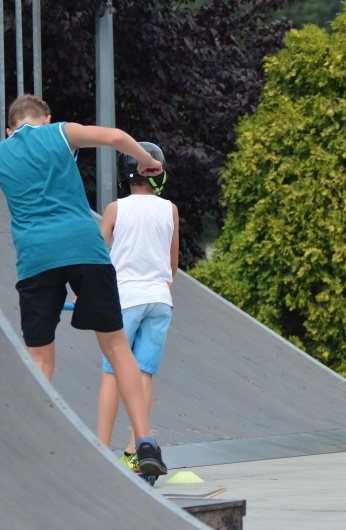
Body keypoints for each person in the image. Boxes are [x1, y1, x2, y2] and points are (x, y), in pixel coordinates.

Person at [0, 94, 168, 476]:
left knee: (39, 358)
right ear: (46, 117)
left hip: (36, 259)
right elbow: (114, 137)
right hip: (85, 250)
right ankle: (145, 443)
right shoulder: (61, 132)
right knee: (117, 347)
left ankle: (27, 446)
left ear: (10, 130)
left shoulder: (3, 151)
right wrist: (146, 160)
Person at [96, 142, 178, 473]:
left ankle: (100, 449)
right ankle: (135, 451)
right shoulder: (170, 209)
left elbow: (97, 255)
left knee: (113, 372)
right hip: (159, 300)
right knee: (143, 372)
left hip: (124, 298)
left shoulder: (115, 209)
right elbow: (172, 265)